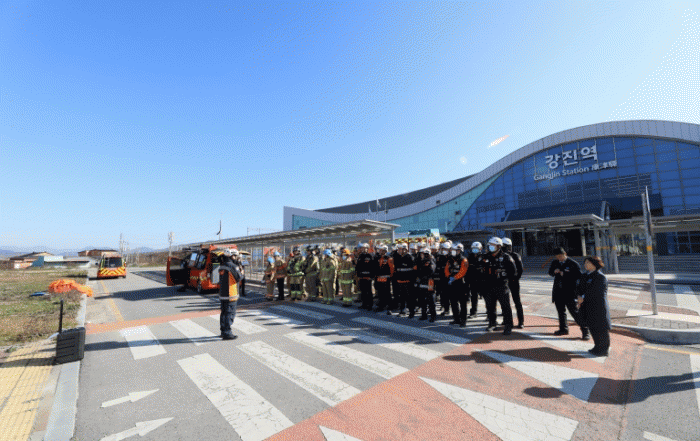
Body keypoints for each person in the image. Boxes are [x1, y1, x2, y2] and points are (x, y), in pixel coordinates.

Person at [548, 247, 589, 339]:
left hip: (570, 292)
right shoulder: (555, 262)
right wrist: (554, 272)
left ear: (565, 254)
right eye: (557, 256)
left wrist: (565, 274)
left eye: (561, 256)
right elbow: (550, 272)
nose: (559, 258)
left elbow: (579, 277)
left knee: (574, 312)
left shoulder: (573, 263)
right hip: (558, 291)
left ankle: (585, 330)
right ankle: (563, 329)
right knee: (561, 312)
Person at [577, 256, 610, 356]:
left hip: (598, 307)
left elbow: (597, 292)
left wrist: (583, 297)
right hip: (587, 307)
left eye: (588, 262)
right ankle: (597, 347)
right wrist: (578, 296)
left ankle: (604, 350)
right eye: (585, 263)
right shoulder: (584, 276)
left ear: (595, 264)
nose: (585, 264)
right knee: (592, 327)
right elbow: (579, 288)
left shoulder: (600, 277)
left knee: (601, 329)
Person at [484, 237, 516, 335]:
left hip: (502, 286)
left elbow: (513, 272)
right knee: (490, 306)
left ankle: (508, 326)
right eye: (489, 245)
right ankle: (492, 323)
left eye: (492, 245)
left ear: (498, 246)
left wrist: (507, 281)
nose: (490, 247)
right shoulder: (486, 257)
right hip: (489, 286)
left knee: (505, 307)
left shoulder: (506, 257)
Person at [218, 249, 242, 340]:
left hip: (223, 294)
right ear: (232, 256)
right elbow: (239, 277)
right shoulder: (232, 266)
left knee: (223, 313)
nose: (236, 258)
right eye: (235, 256)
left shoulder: (222, 266)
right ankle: (227, 333)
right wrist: (241, 272)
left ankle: (223, 331)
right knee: (229, 313)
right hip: (231, 294)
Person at [501, 238, 524, 328]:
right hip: (504, 282)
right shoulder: (501, 256)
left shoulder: (515, 255)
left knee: (517, 301)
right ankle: (506, 320)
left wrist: (515, 279)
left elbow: (520, 269)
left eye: (503, 246)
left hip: (513, 281)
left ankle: (521, 321)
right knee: (504, 302)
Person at [445, 243, 469, 327]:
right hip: (452, 284)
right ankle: (456, 319)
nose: (454, 252)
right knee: (453, 302)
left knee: (462, 303)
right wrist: (449, 277)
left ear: (460, 251)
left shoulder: (464, 260)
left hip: (461, 284)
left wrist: (454, 277)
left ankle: (463, 320)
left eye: (456, 250)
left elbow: (463, 271)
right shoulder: (450, 260)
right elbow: (446, 269)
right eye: (453, 250)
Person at [392, 243, 415, 317]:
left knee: (409, 297)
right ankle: (402, 310)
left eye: (400, 249)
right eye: (398, 249)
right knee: (401, 297)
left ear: (405, 249)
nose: (398, 250)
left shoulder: (410, 257)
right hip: (400, 281)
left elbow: (413, 270)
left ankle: (411, 311)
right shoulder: (397, 257)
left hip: (408, 281)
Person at [416, 247, 437, 322]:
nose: (425, 255)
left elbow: (431, 271)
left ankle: (433, 316)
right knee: (422, 300)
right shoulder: (421, 261)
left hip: (429, 282)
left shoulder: (431, 261)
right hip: (422, 283)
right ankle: (424, 315)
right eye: (424, 254)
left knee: (431, 301)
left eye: (426, 254)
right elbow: (419, 271)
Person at [373, 245, 394, 313]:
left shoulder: (389, 258)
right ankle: (381, 306)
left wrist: (390, 277)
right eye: (379, 250)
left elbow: (392, 269)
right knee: (380, 294)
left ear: (385, 251)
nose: (379, 251)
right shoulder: (377, 258)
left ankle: (390, 307)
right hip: (378, 279)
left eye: (381, 250)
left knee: (387, 294)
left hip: (386, 280)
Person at [355, 243, 375, 310]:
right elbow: (358, 266)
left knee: (368, 292)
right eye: (362, 248)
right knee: (363, 291)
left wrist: (371, 276)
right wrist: (358, 275)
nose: (363, 249)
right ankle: (364, 304)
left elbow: (372, 267)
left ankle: (369, 305)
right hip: (361, 277)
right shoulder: (360, 256)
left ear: (367, 248)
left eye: (364, 248)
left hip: (368, 277)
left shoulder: (369, 256)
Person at [467, 242, 484, 317]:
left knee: (487, 297)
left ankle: (489, 313)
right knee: (474, 296)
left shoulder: (483, 257)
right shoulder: (469, 257)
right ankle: (473, 312)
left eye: (476, 248)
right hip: (473, 279)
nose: (475, 250)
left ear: (480, 249)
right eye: (473, 248)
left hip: (482, 280)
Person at [435, 242, 451, 317]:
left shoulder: (451, 258)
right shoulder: (440, 257)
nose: (444, 250)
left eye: (445, 249)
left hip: (449, 279)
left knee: (450, 296)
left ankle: (453, 311)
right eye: (443, 249)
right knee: (443, 295)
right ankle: (446, 309)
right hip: (441, 279)